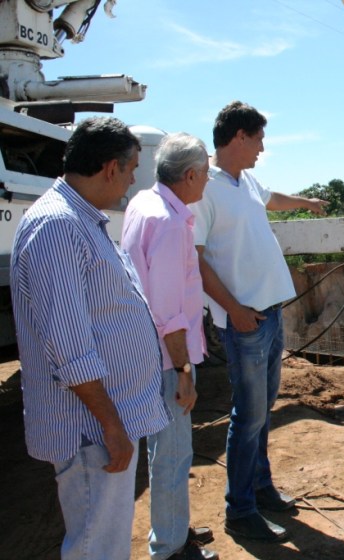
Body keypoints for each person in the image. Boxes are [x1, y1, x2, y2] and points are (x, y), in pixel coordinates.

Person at [10, 116, 170, 560]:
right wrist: (111, 425)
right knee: (95, 547)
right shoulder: (58, 226)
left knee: (105, 541)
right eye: (132, 168)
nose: (134, 179)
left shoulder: (78, 221)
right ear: (110, 168)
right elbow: (69, 347)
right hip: (90, 429)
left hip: (102, 423)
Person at [189, 101, 326, 542]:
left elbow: (272, 198)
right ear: (239, 137)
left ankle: (261, 488)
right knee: (248, 416)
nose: (263, 148)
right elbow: (196, 260)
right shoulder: (204, 188)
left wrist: (306, 203)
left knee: (261, 412)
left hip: (269, 313)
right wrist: (234, 310)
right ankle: (240, 509)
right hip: (244, 321)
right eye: (259, 139)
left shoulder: (245, 180)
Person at [122, 133, 218, 560]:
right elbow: (167, 310)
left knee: (164, 452)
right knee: (174, 455)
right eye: (206, 173)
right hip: (166, 358)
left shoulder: (144, 203)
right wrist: (183, 371)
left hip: (147, 350)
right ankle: (170, 548)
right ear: (190, 174)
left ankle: (173, 528)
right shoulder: (171, 222)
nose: (208, 181)